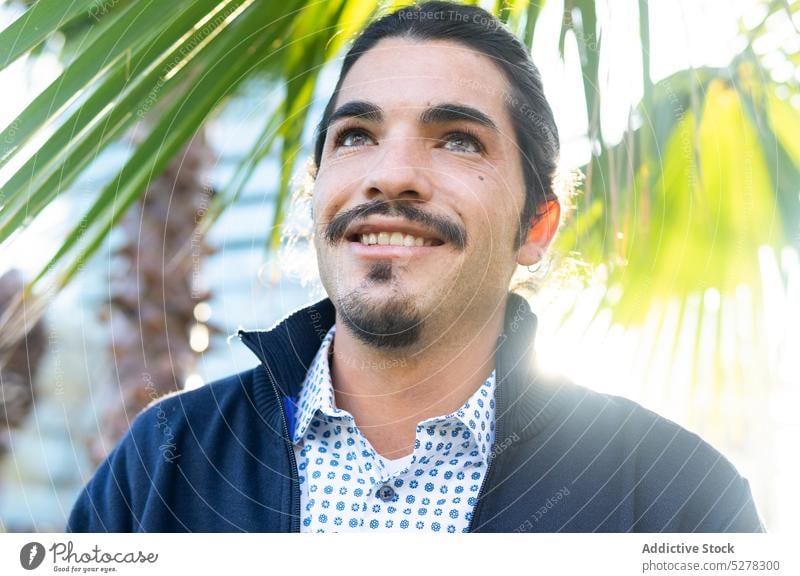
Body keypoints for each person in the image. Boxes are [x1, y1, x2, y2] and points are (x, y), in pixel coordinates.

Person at [67, 1, 763, 533]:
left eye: (457, 139)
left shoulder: (677, 499)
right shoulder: (161, 464)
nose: (390, 174)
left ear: (536, 226)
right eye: (356, 136)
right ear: (317, 195)